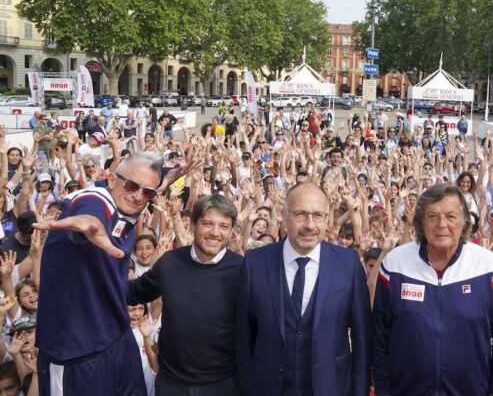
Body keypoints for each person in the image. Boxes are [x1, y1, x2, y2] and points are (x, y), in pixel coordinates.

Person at [35, 151, 163, 396]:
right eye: (132, 185)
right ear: (111, 178)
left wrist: (168, 177)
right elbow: (91, 210)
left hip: (116, 338)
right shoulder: (95, 198)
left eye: (148, 192)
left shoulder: (128, 205)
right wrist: (90, 222)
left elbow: (144, 187)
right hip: (76, 352)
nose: (138, 196)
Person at [372, 184, 493, 396]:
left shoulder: (489, 266)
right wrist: (383, 390)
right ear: (421, 222)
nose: (442, 225)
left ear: (464, 221)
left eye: (450, 216)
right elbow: (380, 336)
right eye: (432, 216)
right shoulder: (395, 263)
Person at [236, 182, 372, 396]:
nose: (310, 224)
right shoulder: (256, 263)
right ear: (283, 215)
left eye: (318, 215)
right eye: (300, 214)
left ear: (327, 219)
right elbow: (243, 338)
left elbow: (362, 338)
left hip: (332, 388)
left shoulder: (348, 263)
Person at [128, 194, 242, 395]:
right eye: (208, 223)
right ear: (192, 224)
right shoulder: (170, 263)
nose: (215, 233)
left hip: (222, 385)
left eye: (224, 226)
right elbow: (132, 292)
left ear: (232, 231)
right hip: (172, 383)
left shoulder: (243, 270)